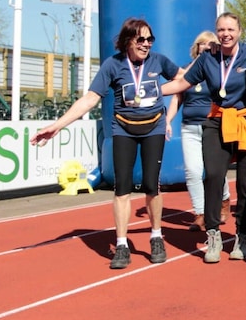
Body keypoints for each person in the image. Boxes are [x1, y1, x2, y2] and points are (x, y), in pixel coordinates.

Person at [31, 18, 181, 269]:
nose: (146, 44)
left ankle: (156, 236)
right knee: (122, 187)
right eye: (140, 39)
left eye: (149, 39)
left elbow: (182, 80)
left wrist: (159, 89)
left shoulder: (158, 61)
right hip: (123, 128)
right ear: (127, 41)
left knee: (151, 186)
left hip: (153, 127)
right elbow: (90, 98)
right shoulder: (113, 64)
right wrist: (56, 125)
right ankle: (121, 244)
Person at [161, 12, 246, 264]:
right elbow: (181, 85)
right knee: (213, 176)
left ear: (239, 31)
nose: (226, 34)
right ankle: (213, 234)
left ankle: (242, 235)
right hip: (217, 119)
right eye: (221, 30)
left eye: (230, 29)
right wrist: (150, 91)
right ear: (216, 32)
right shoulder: (207, 57)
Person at [164, 31, 229, 232]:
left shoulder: (219, 69)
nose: (206, 47)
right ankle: (200, 212)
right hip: (189, 127)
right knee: (192, 171)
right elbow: (177, 98)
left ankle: (224, 199)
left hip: (212, 126)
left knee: (213, 171)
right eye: (202, 43)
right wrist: (167, 121)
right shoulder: (186, 70)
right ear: (197, 46)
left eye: (210, 44)